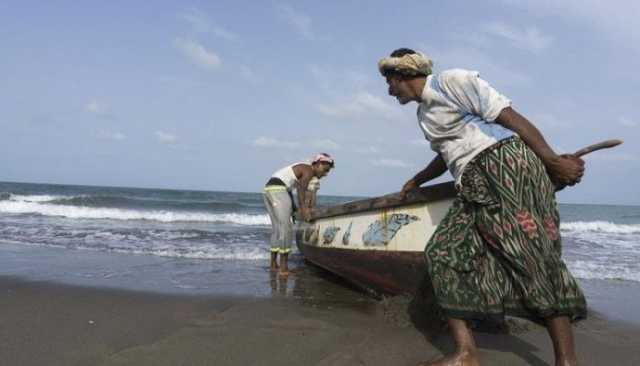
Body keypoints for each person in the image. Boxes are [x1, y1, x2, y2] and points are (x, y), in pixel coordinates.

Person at [378, 48, 586, 366]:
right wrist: (418, 178)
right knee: (443, 253)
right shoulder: (424, 114)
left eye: (389, 82)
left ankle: (566, 360)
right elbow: (448, 152)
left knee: (531, 256)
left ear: (402, 74)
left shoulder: (451, 81)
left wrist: (553, 161)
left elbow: (511, 118)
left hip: (504, 166)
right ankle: (466, 353)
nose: (389, 90)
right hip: (472, 183)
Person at [263, 153, 334, 276]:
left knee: (277, 229)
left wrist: (294, 208)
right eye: (325, 170)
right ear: (317, 164)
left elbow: (288, 187)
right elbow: (301, 189)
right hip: (278, 191)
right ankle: (283, 268)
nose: (325, 174)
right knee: (286, 228)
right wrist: (303, 209)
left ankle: (273, 264)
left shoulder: (300, 169)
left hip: (269, 189)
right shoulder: (308, 170)